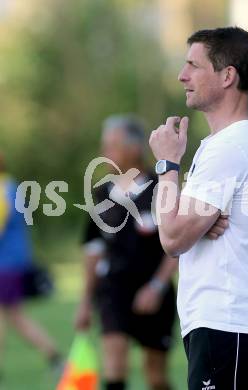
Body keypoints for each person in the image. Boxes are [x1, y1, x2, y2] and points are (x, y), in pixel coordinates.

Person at [149, 27, 248, 389]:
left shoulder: (230, 147)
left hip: (229, 323)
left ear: (227, 76)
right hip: (222, 326)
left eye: (193, 64)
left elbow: (173, 237)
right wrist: (197, 221)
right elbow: (182, 227)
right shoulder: (224, 144)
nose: (182, 75)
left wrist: (167, 165)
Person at [74, 115, 178, 390]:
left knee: (156, 376)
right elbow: (93, 250)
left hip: (153, 292)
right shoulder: (100, 195)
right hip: (113, 290)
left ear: (134, 148)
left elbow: (178, 245)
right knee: (114, 365)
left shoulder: (161, 189)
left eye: (113, 146)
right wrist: (85, 301)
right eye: (104, 146)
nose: (105, 153)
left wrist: (156, 286)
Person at [0, 153, 63, 381]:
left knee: (10, 316)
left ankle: (55, 357)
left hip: (5, 264)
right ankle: (55, 356)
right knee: (15, 316)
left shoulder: (2, 191)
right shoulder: (11, 186)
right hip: (13, 262)